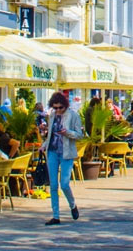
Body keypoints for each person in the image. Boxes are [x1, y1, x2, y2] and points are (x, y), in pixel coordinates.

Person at [42, 91, 83, 225]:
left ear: (65, 106)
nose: (58, 110)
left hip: (66, 153)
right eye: (55, 107)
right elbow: (50, 135)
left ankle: (72, 205)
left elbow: (80, 135)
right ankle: (56, 215)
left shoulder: (73, 115)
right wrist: (44, 145)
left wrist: (68, 133)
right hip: (52, 151)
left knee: (64, 184)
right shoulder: (52, 116)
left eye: (60, 107)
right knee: (53, 185)